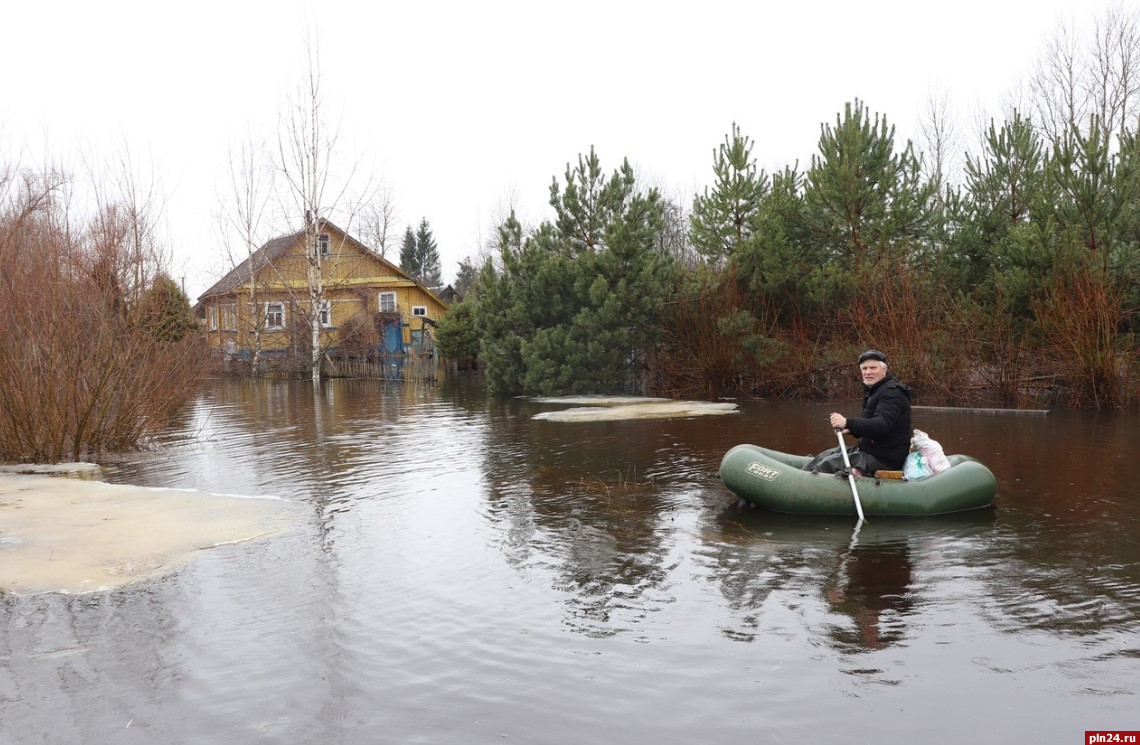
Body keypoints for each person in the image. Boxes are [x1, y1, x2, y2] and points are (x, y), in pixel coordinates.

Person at [805, 349, 912, 476]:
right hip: (870, 450)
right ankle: (799, 478)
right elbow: (871, 426)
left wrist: (847, 422)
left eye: (873, 368)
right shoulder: (875, 390)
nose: (868, 372)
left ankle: (799, 489)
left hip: (885, 459)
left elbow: (880, 426)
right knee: (826, 455)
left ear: (884, 370)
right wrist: (851, 429)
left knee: (828, 464)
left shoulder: (892, 393)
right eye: (864, 368)